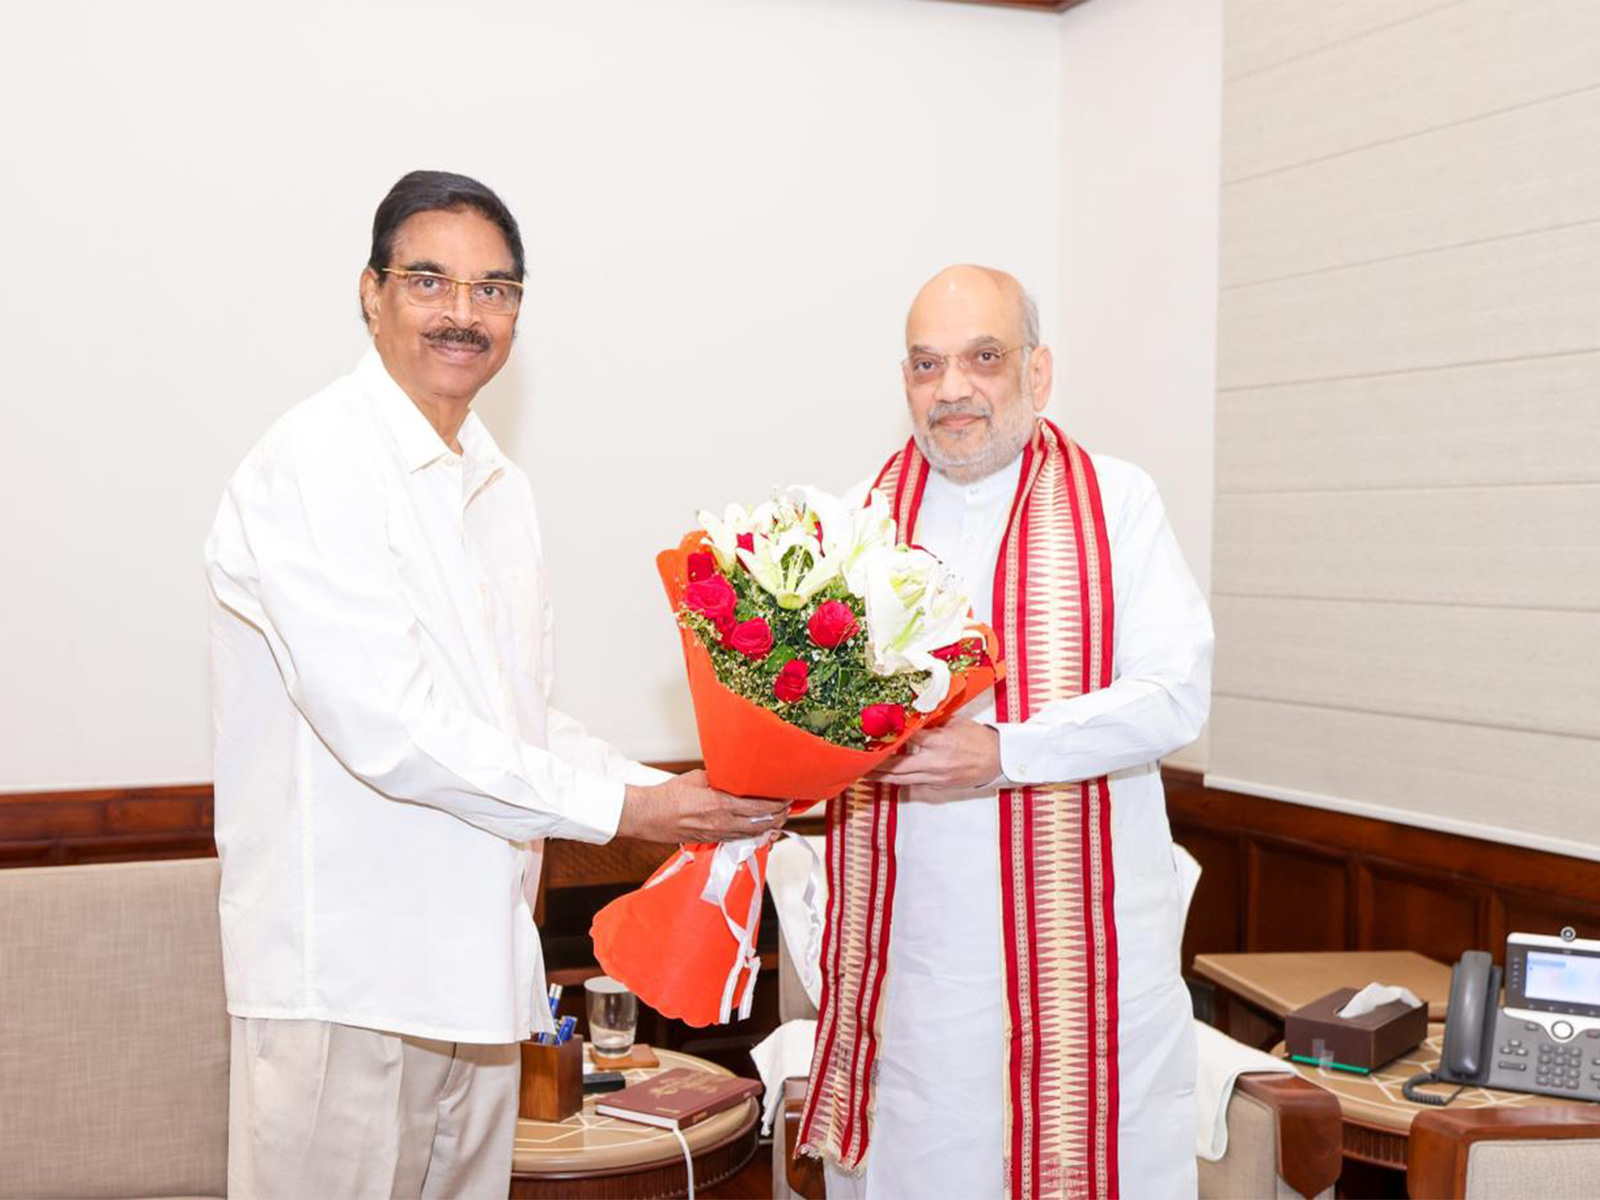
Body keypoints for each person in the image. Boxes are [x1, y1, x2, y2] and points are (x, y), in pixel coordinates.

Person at [204, 169, 787, 1198]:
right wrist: (634, 807)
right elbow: (389, 728)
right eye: (429, 281)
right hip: (347, 976)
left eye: (495, 289)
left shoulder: (498, 487)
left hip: (475, 973)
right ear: (370, 293)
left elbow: (517, 718)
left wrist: (679, 794)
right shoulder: (315, 462)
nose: (462, 314)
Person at [798, 265, 1212, 1199]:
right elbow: (816, 720)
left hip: (1090, 966)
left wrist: (1008, 753)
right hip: (923, 971)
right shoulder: (859, 521)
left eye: (984, 358)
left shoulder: (1117, 503)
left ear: (1039, 371)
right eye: (927, 364)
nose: (953, 389)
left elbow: (1176, 692)